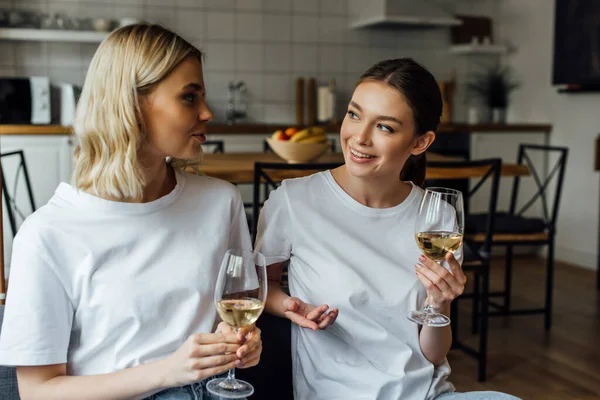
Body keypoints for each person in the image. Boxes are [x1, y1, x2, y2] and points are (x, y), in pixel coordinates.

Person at [0, 24, 261, 400]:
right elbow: (37, 391)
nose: (207, 112)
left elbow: (234, 312)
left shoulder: (222, 202)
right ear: (132, 105)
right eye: (189, 98)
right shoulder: (48, 234)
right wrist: (168, 372)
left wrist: (237, 342)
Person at [255, 58, 519, 400]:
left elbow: (434, 355)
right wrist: (290, 305)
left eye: (385, 127)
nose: (359, 137)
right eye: (354, 114)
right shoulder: (294, 201)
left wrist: (440, 305)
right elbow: (263, 287)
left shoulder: (437, 219)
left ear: (420, 143)